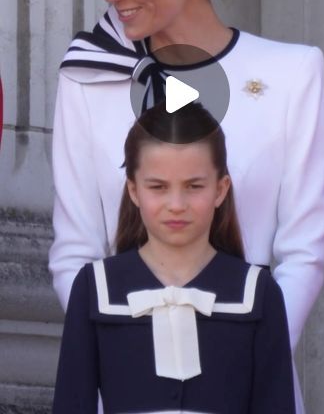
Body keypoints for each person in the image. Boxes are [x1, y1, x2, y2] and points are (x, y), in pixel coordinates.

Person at [46, 0, 324, 412]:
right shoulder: (86, 81)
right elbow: (73, 253)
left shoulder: (293, 73)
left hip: (252, 385)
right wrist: (129, 353)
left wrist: (243, 348)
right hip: (123, 388)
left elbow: (304, 252)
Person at [52, 102, 296, 413]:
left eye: (194, 186)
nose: (176, 204)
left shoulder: (258, 292)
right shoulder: (95, 287)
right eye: (158, 187)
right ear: (134, 190)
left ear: (221, 189)